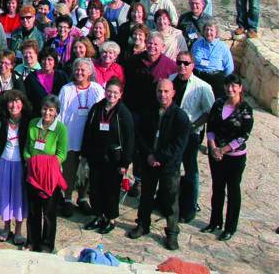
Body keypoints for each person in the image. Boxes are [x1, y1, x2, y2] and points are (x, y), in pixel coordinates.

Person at [128, 79, 191, 250]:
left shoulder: (180, 117)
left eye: (166, 91)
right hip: (149, 163)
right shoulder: (149, 112)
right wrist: (149, 154)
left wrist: (159, 157)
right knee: (146, 196)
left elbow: (178, 145)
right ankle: (142, 224)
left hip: (169, 166)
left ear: (173, 93)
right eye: (159, 91)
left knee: (170, 199)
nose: (162, 94)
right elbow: (140, 135)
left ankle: (172, 233)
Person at [202, 75, 253, 241]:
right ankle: (215, 222)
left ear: (239, 88)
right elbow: (210, 127)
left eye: (234, 86)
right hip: (216, 154)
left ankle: (230, 227)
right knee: (217, 188)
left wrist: (223, 150)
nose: (230, 89)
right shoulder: (218, 104)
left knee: (233, 190)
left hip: (234, 157)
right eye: (227, 86)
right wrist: (213, 147)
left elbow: (243, 135)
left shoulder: (245, 109)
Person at [167, 51, 216, 224]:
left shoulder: (202, 87)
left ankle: (190, 206)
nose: (182, 66)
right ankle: (170, 203)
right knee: (171, 169)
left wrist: (193, 126)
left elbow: (210, 112)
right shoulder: (170, 80)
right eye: (180, 62)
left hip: (191, 135)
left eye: (186, 63)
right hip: (171, 133)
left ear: (192, 65)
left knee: (190, 171)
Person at [81, 77, 134, 234]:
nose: (111, 95)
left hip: (114, 159)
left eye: (115, 92)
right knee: (95, 188)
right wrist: (85, 154)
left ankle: (110, 219)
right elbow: (88, 131)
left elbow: (130, 139)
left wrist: (125, 163)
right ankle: (98, 215)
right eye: (109, 91)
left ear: (120, 94)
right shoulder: (97, 108)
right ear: (105, 91)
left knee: (111, 191)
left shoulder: (123, 113)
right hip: (96, 156)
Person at [57, 58, 105, 216]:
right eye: (77, 69)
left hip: (90, 138)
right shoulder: (67, 89)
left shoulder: (97, 89)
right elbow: (60, 114)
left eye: (83, 70)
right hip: (70, 136)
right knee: (69, 169)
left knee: (86, 170)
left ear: (90, 72)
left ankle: (83, 198)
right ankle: (68, 198)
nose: (79, 72)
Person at [22, 95, 68, 253]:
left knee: (48, 213)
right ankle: (32, 242)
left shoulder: (61, 129)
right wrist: (31, 161)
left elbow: (62, 154)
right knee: (33, 210)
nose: (47, 113)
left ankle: (46, 245)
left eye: (51, 110)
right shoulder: (33, 124)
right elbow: (27, 148)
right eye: (44, 109)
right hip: (33, 173)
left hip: (50, 176)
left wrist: (47, 165)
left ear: (56, 112)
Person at [0, 89, 29, 245]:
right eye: (11, 101)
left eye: (17, 101)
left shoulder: (28, 121)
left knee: (19, 197)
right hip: (4, 162)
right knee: (6, 196)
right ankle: (6, 228)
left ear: (23, 103)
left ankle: (19, 231)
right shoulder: (1, 120)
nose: (14, 105)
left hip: (21, 163)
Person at [190, 18, 235, 100]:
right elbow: (191, 61)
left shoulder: (223, 47)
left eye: (211, 30)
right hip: (198, 76)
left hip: (215, 78)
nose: (208, 32)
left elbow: (229, 67)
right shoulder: (197, 44)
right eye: (207, 29)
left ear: (216, 32)